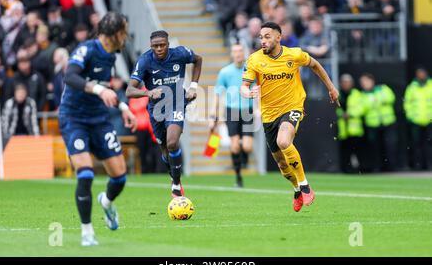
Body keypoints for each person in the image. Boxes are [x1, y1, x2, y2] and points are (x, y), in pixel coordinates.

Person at [241, 22, 339, 212]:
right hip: (269, 114)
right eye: (261, 37)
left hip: (292, 106)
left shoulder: (294, 54)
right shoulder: (254, 60)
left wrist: (331, 87)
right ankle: (296, 189)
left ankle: (304, 185)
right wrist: (246, 92)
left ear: (279, 37)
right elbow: (244, 85)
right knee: (282, 165)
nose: (263, 40)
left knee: (284, 141)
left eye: (267, 36)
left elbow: (315, 65)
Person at [59, 12, 137, 246]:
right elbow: (70, 77)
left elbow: (105, 86)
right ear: (113, 33)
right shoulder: (87, 49)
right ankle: (87, 232)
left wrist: (123, 107)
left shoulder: (111, 55)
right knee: (85, 173)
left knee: (120, 176)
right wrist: (98, 91)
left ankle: (107, 203)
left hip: (99, 119)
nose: (125, 35)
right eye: (123, 31)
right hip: (74, 118)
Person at [126, 30, 203, 198]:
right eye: (155, 46)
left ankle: (176, 184)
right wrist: (148, 93)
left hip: (176, 103)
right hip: (156, 110)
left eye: (162, 45)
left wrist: (194, 86)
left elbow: (198, 59)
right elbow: (129, 90)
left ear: (168, 44)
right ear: (151, 46)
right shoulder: (145, 61)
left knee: (172, 142)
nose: (159, 48)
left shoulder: (180, 53)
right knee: (164, 150)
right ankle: (173, 176)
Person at [210, 44, 254, 188]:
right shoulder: (225, 72)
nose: (238, 54)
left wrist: (259, 108)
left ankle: (242, 155)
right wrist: (213, 115)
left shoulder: (250, 70)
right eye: (235, 51)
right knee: (234, 147)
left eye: (240, 51)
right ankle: (238, 177)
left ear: (244, 53)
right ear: (232, 54)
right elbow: (217, 94)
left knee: (247, 147)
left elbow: (257, 90)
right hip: (231, 111)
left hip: (248, 110)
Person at [359, 73, 397, 172]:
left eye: (365, 81)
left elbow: (391, 98)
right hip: (373, 124)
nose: (364, 84)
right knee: (375, 147)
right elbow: (362, 108)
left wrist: (374, 102)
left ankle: (390, 167)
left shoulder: (383, 88)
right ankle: (377, 167)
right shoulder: (362, 94)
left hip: (387, 122)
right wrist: (377, 102)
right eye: (362, 82)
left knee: (389, 145)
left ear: (372, 81)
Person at [403, 67, 432, 170]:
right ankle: (418, 165)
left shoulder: (431, 85)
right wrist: (411, 116)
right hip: (416, 121)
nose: (421, 75)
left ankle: (430, 165)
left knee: (429, 144)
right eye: (419, 73)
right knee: (416, 144)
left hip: (430, 120)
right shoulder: (412, 87)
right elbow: (407, 103)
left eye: (422, 73)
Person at [336, 74, 365, 173]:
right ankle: (346, 169)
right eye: (344, 82)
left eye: (347, 82)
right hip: (343, 129)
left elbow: (362, 108)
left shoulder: (357, 94)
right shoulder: (338, 94)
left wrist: (350, 114)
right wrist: (342, 115)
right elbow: (336, 109)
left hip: (355, 129)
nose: (346, 84)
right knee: (345, 152)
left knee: (358, 150)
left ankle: (360, 169)